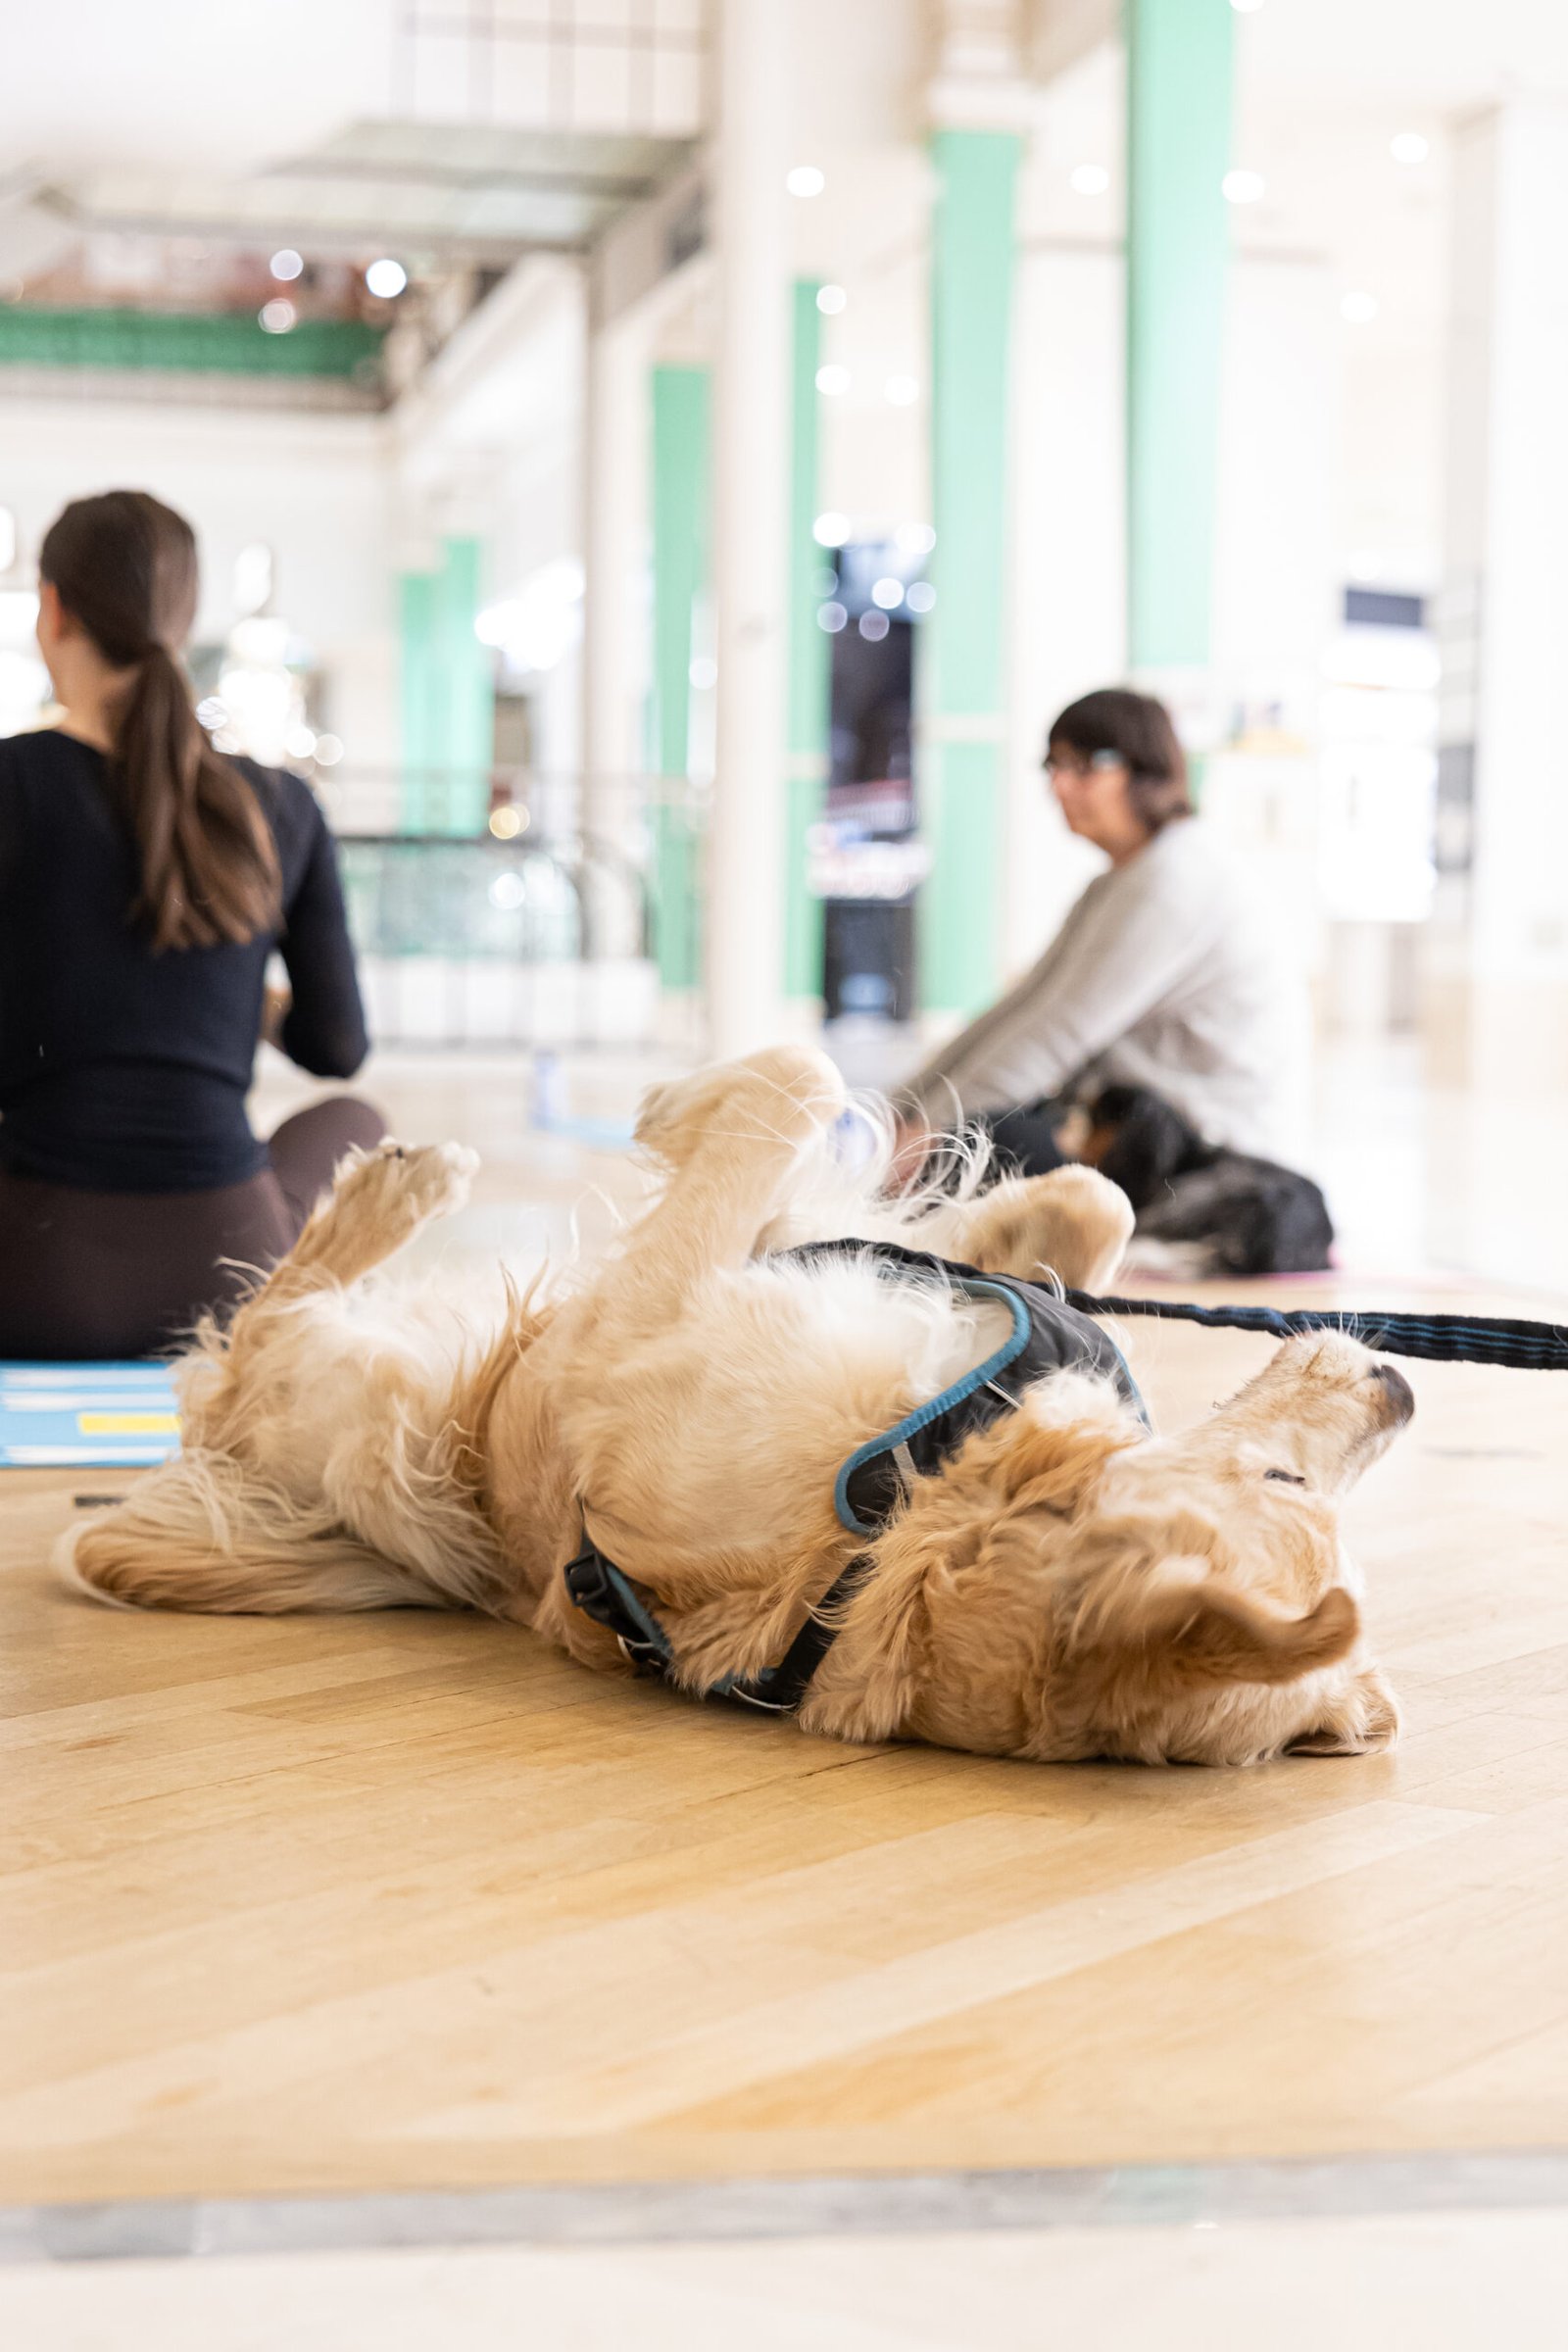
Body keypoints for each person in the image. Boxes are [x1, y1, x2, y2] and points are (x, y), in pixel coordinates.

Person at [0, 489, 384, 1358]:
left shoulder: (12, 782)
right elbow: (338, 1049)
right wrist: (240, 1004)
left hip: (27, 1277)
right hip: (228, 1277)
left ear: (51, 611)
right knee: (357, 1117)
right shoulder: (281, 804)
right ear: (182, 619)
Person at [899, 687, 1291, 1175]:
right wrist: (900, 1110)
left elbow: (1056, 1033)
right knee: (973, 1136)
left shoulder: (1176, 878)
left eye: (1083, 767)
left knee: (983, 1147)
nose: (1059, 786)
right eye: (1053, 767)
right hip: (1133, 1125)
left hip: (1204, 1154)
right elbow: (1023, 1007)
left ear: (1146, 772)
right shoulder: (1121, 880)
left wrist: (925, 1139)